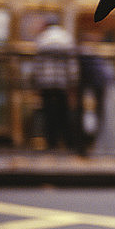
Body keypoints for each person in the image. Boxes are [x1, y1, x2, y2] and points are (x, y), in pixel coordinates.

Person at [33, 21, 78, 151]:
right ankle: (68, 142)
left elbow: (38, 64)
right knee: (64, 112)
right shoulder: (66, 38)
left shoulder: (42, 39)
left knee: (48, 112)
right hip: (62, 82)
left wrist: (37, 81)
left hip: (46, 82)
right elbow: (71, 64)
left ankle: (51, 142)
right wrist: (73, 81)